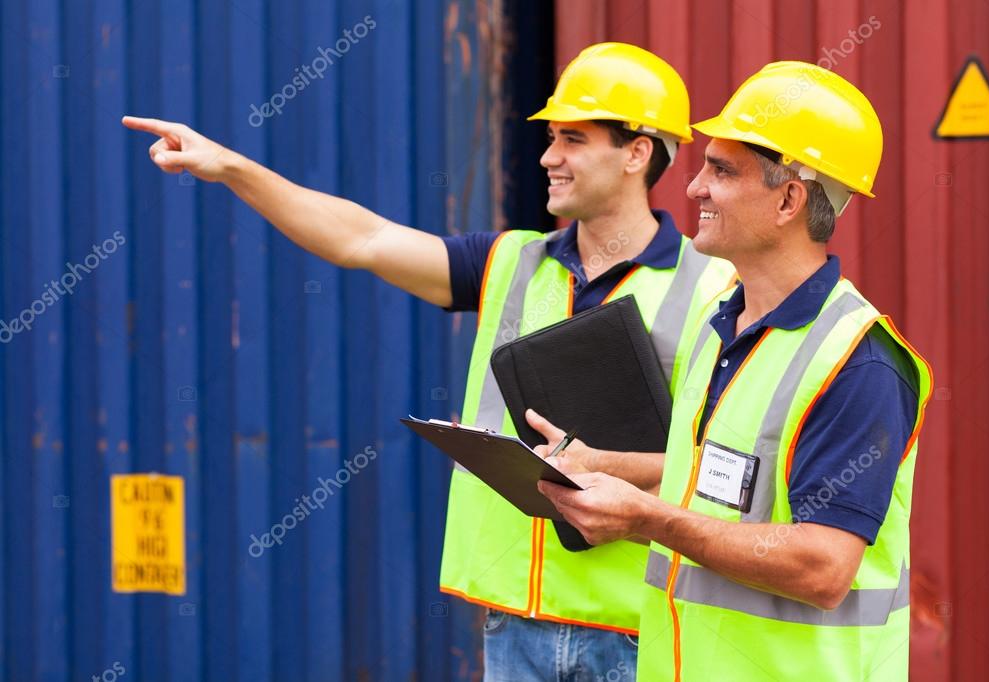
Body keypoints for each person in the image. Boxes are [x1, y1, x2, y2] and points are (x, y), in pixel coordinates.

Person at [124, 42, 735, 680]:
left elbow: (731, 471)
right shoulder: (508, 262)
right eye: (551, 137)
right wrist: (230, 167)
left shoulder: (715, 291)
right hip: (512, 621)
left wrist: (604, 467)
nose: (549, 157)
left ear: (637, 152)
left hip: (637, 626)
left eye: (573, 139)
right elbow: (360, 238)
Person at [538, 61, 933, 681]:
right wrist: (604, 465)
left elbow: (822, 567)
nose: (693, 188)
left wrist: (646, 517)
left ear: (788, 199)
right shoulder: (724, 326)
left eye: (720, 171)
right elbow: (731, 485)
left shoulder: (859, 361)